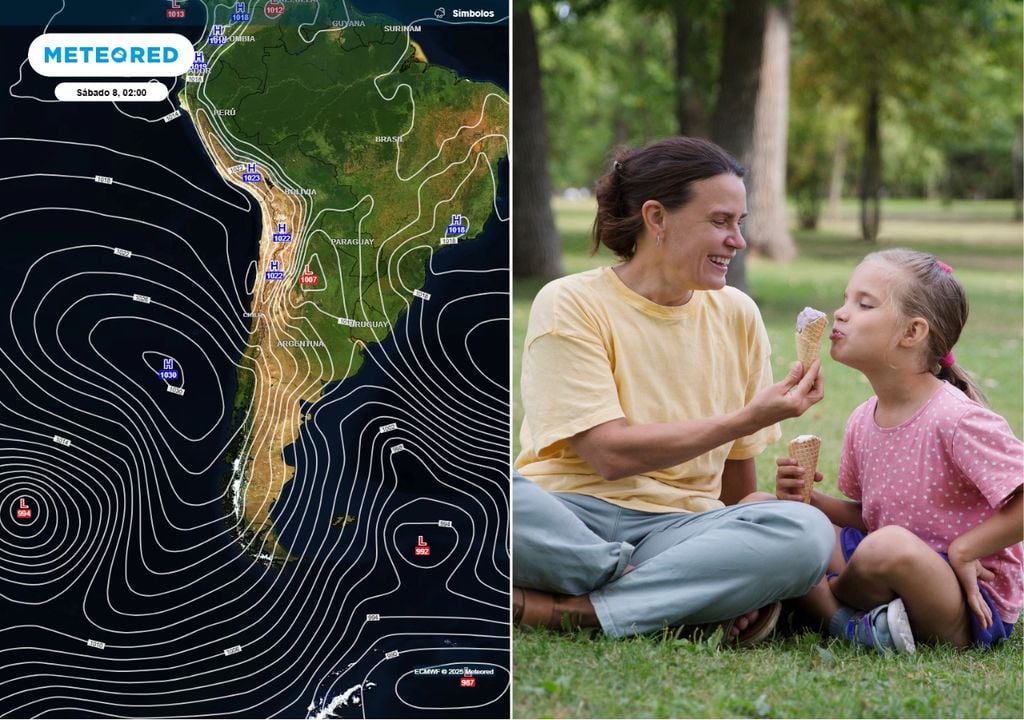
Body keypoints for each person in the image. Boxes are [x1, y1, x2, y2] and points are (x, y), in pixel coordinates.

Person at [512, 136, 835, 643]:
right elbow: (608, 455)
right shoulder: (570, 302)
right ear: (657, 218)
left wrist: (767, 518)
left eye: (739, 223)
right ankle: (668, 595)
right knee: (471, 492)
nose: (738, 241)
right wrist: (747, 418)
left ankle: (569, 611)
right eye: (720, 221)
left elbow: (734, 493)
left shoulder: (737, 314)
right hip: (566, 518)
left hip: (678, 532)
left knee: (804, 532)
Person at [775, 249, 1023, 653]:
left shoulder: (957, 419)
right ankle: (847, 613)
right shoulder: (862, 419)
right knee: (766, 511)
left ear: (912, 333)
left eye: (864, 304)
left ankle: (825, 610)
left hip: (963, 600)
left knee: (887, 547)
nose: (840, 313)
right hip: (878, 566)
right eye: (845, 299)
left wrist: (964, 550)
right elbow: (868, 516)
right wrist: (809, 499)